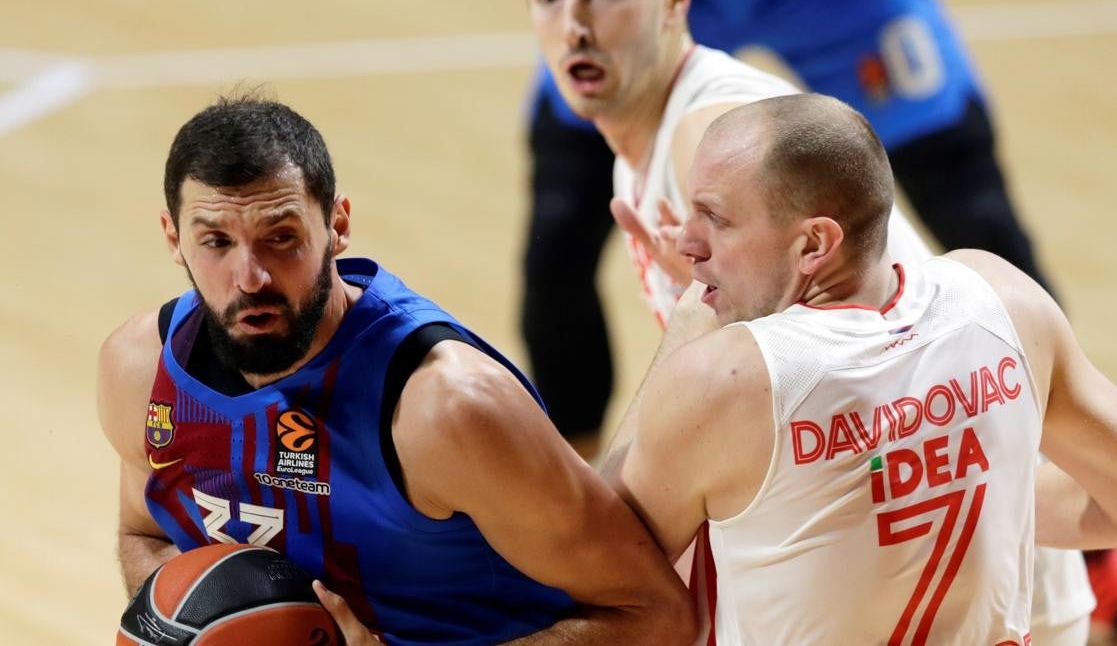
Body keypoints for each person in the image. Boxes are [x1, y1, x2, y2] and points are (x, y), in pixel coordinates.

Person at [520, 0, 1117, 642]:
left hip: (942, 565)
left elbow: (625, 548)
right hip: (967, 539)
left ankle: (1110, 572)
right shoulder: (683, 155)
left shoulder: (714, 146)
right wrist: (988, 492)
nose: (575, 23)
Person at [96, 95, 695, 645]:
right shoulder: (141, 370)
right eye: (216, 242)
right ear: (173, 238)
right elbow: (145, 535)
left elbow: (653, 614)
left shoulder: (446, 408)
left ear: (337, 225)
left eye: (281, 237)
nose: (250, 277)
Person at [602, 93, 1117, 644]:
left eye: (715, 219)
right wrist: (951, 482)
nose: (686, 244)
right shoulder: (1004, 300)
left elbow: (593, 562)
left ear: (813, 245)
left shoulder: (727, 379)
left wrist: (689, 325)